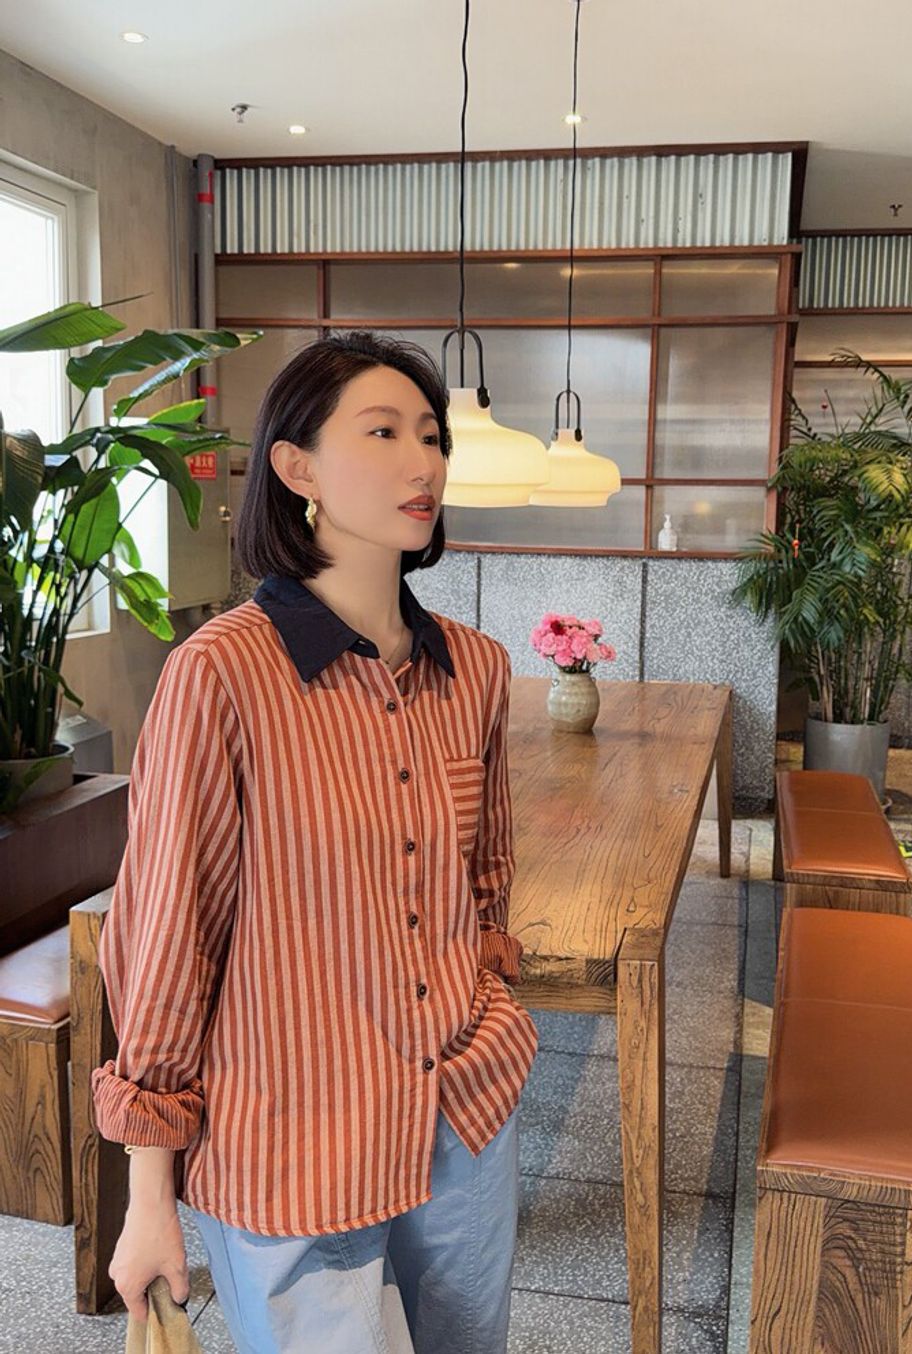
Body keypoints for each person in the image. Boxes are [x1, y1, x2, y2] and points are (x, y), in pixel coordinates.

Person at [92, 331, 539, 1354]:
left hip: (461, 1109)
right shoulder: (222, 675)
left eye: (430, 436)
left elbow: (485, 879)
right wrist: (149, 1191)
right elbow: (168, 936)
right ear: (297, 468)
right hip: (292, 1131)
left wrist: (486, 1007)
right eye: (381, 433)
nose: (422, 462)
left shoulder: (473, 668)